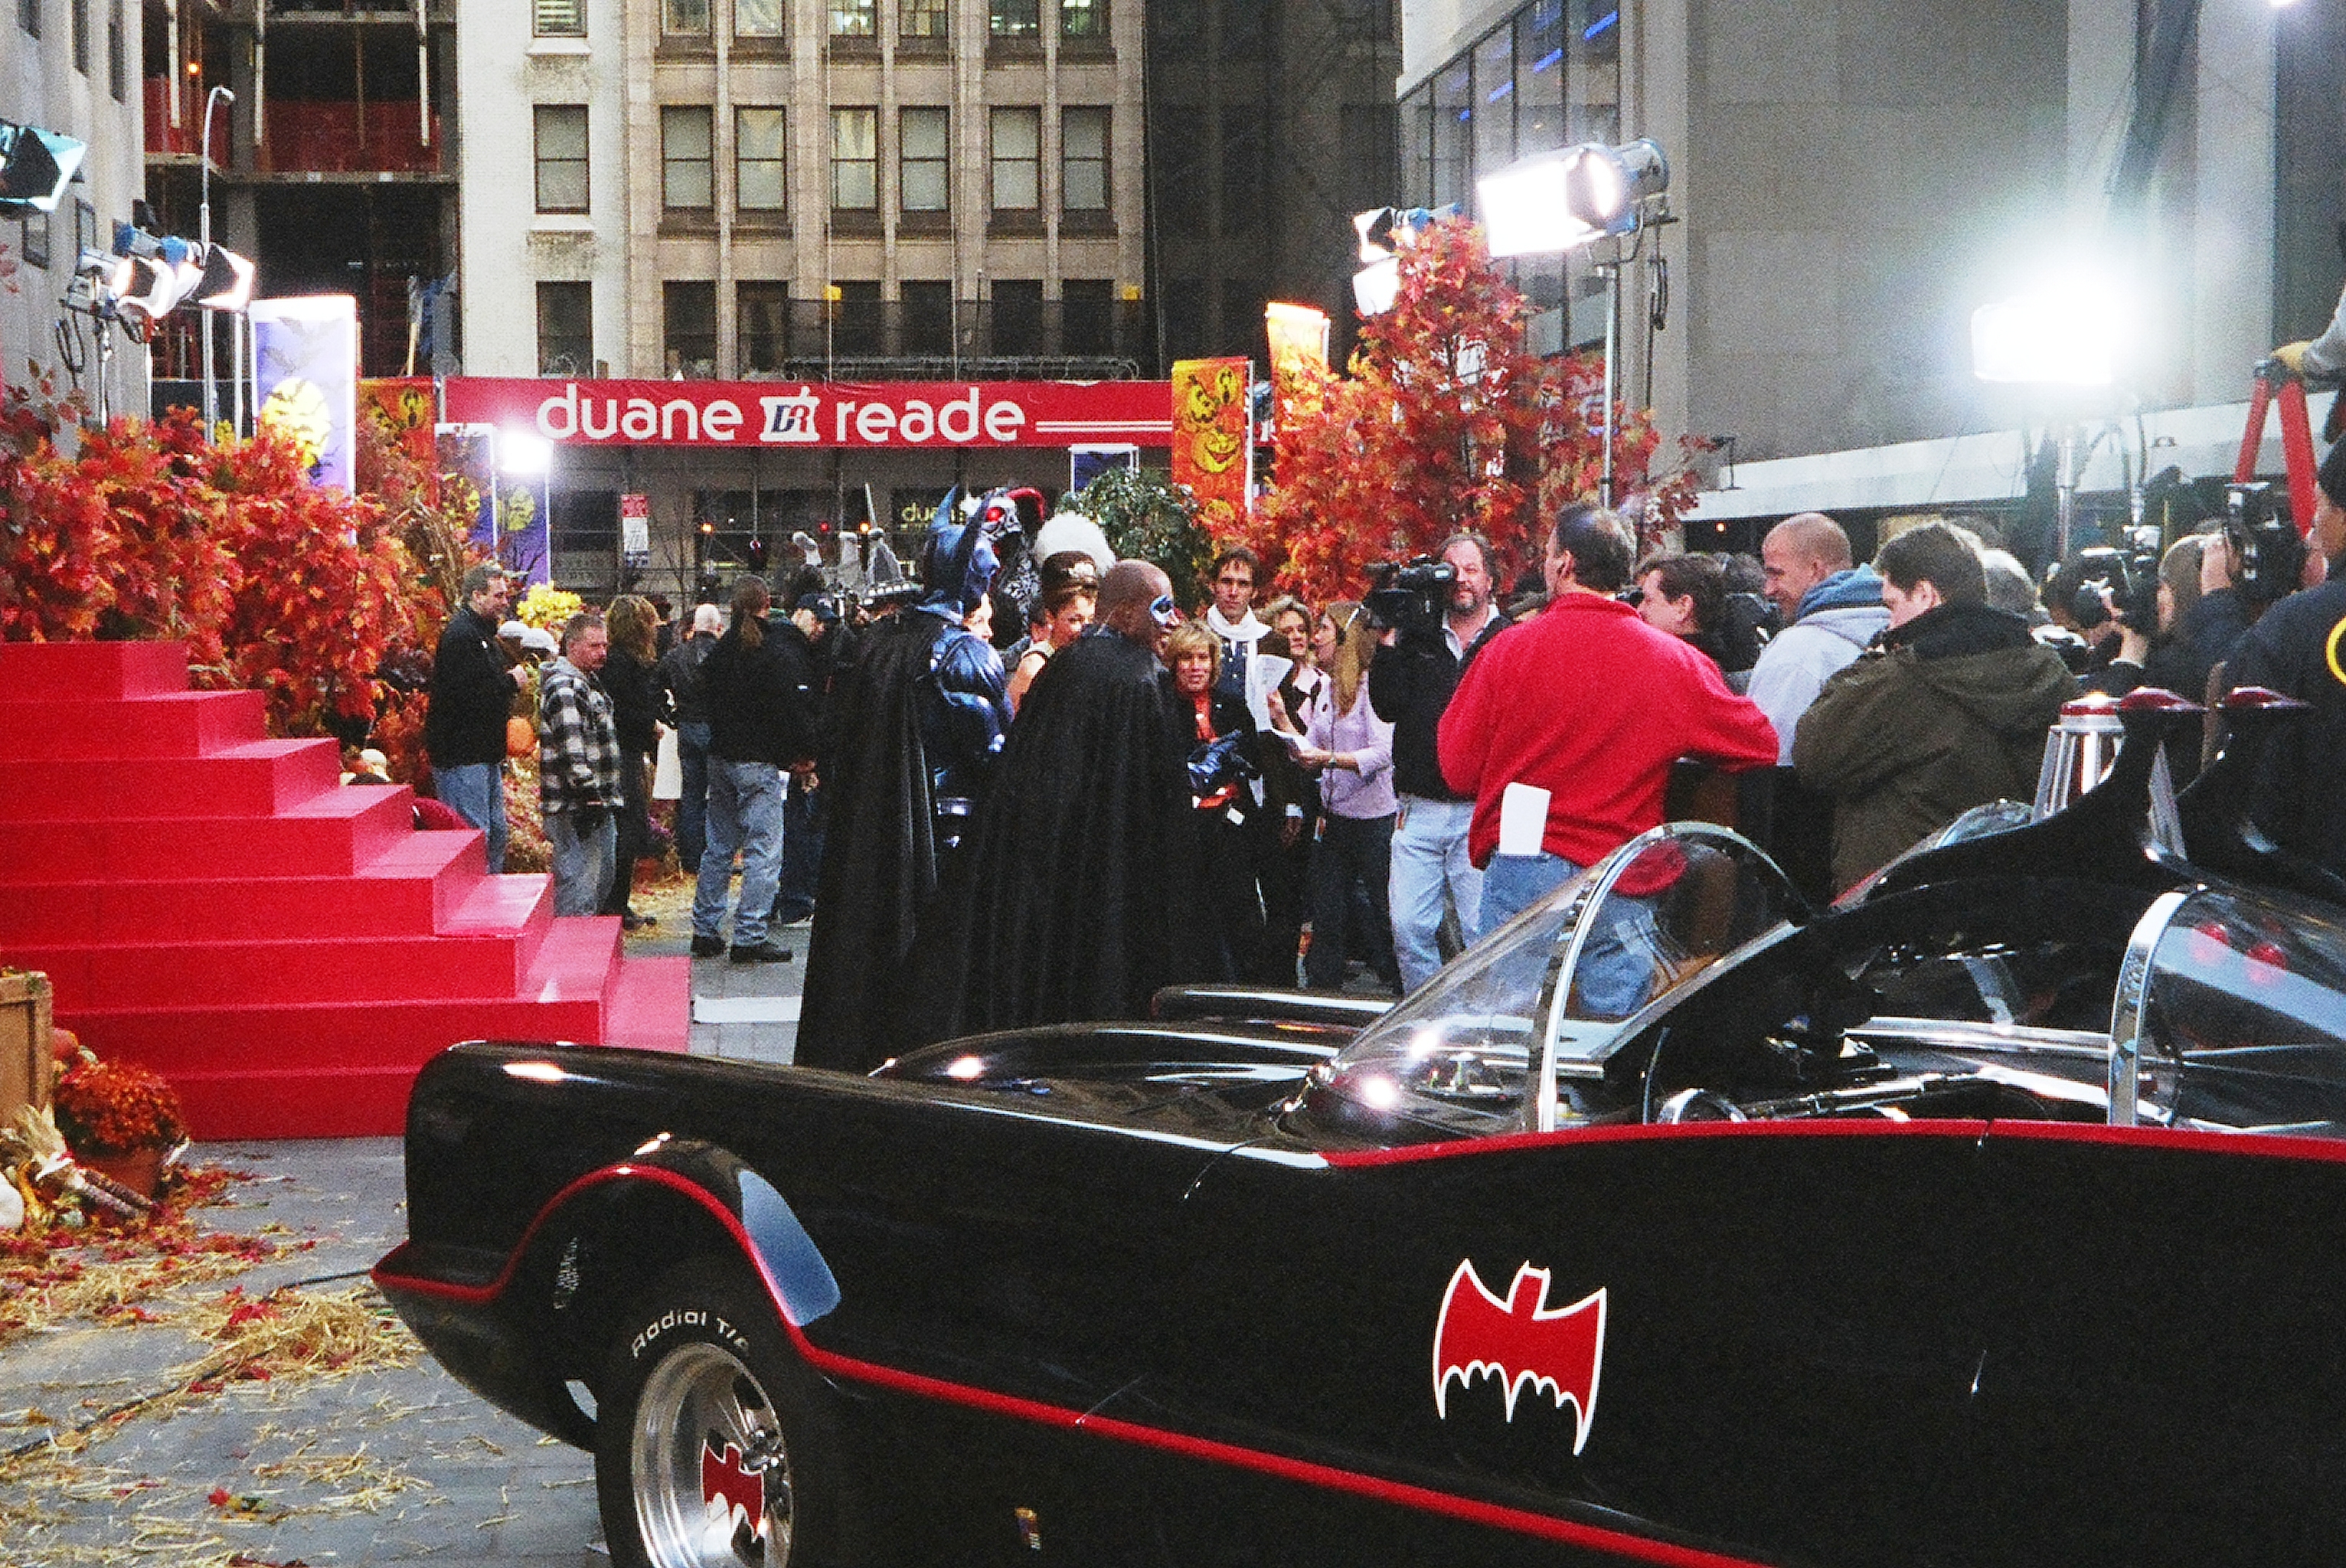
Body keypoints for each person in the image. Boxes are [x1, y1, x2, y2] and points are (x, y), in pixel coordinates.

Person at [1439, 505, 1779, 931]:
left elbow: (1457, 770)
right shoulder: (1674, 662)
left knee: (1515, 998)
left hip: (1523, 866)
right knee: (1617, 998)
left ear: (1565, 564)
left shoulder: (1505, 652)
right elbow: (1759, 743)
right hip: (1622, 870)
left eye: (1548, 554)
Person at [926, 560, 1203, 1044]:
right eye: (1160, 608)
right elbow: (1157, 795)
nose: (1170, 621)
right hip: (1112, 869)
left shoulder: (1068, 665)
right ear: (1124, 611)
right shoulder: (1140, 677)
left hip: (1053, 862)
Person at [796, 505, 1012, 1068]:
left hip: (877, 839)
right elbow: (996, 758)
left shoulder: (882, 646)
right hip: (948, 844)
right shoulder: (964, 653)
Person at [1795, 521, 2080, 892]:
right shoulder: (2048, 672)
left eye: (1892, 605)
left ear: (1926, 595)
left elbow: (1815, 754)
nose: (1890, 621)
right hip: (2012, 895)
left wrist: (1875, 656)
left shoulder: (1902, 681)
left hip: (1907, 902)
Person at [1370, 532, 1507, 993]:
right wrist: (1390, 633)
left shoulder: (1509, 639)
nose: (1462, 580)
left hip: (1481, 811)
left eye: (1471, 569)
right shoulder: (1418, 637)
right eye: (1452, 569)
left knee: (1482, 936)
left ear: (1490, 578)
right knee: (1409, 930)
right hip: (1419, 807)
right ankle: (1426, 1026)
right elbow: (1386, 705)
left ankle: (1482, 1028)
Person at [1743, 513, 1889, 901]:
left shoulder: (1798, 652)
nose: (1768, 589)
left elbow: (1771, 766)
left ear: (1815, 570)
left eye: (1776, 574)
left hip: (1807, 871)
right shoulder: (1895, 633)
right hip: (1874, 858)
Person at [2223, 438, 2346, 873]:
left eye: (2321, 503)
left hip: (2320, 903)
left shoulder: (2294, 627)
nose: (2314, 520)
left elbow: (2257, 783)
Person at [689, 577, 815, 965]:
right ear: (767, 604)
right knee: (764, 849)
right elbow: (786, 711)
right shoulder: (771, 652)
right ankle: (750, 933)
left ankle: (705, 929)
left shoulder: (720, 653)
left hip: (720, 757)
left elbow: (701, 698)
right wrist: (801, 754)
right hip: (756, 761)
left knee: (719, 846)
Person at [1281, 602, 1399, 991]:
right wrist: (1282, 723)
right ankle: (1320, 992)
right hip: (1335, 821)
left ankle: (1401, 984)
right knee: (1327, 913)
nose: (1315, 638)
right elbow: (1310, 745)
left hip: (1374, 824)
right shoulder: (1327, 689)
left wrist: (1330, 759)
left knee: (1384, 911)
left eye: (1325, 630)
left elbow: (1382, 753)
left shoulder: (1372, 688)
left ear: (1346, 639)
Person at [1167, 622, 1264, 982]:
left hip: (1229, 823)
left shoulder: (1232, 704)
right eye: (1187, 659)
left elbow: (1253, 758)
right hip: (1183, 827)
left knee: (1241, 914)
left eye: (1202, 658)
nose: (1195, 667)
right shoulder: (1163, 704)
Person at [424, 564, 525, 872]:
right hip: (462, 754)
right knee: (472, 837)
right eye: (498, 595)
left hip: (485, 752)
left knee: (495, 834)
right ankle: (471, 903)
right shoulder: (461, 636)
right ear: (477, 595)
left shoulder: (482, 635)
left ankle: (489, 896)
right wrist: (511, 682)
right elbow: (471, 693)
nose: (504, 601)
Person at [1254, 596, 1322, 986]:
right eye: (1287, 631)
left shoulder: (1321, 684)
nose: (1295, 637)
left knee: (1296, 898)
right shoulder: (1268, 684)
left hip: (1311, 794)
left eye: (1301, 629)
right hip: (1275, 797)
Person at [537, 611, 623, 918]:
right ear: (572, 646)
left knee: (599, 878)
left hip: (594, 800)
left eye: (604, 646)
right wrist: (589, 795)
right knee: (579, 885)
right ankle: (571, 951)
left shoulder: (587, 683)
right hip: (576, 805)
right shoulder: (566, 688)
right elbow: (572, 749)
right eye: (594, 646)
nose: (602, 653)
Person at [771, 592, 841, 928]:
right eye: (817, 620)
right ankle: (794, 901)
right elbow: (796, 711)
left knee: (786, 831)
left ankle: (782, 899)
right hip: (790, 761)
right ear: (800, 614)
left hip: (781, 757)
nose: (821, 629)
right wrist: (804, 757)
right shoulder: (791, 653)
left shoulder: (786, 648)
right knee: (793, 829)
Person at [598, 594, 665, 929]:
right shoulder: (625, 665)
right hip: (625, 753)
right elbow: (625, 713)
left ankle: (618, 901)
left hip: (623, 751)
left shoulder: (614, 663)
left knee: (625, 828)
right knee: (627, 827)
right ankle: (617, 904)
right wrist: (649, 726)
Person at [658, 603, 723, 874]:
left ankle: (691, 858)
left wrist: (670, 716)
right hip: (716, 728)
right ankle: (715, 855)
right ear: (717, 627)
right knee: (720, 796)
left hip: (687, 726)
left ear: (694, 626)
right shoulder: (723, 655)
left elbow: (654, 688)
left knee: (691, 794)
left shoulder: (675, 657)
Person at [1005, 553, 1099, 714]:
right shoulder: (1035, 667)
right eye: (1074, 620)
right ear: (1050, 617)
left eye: (1091, 620)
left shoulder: (1096, 657)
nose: (1085, 629)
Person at [1635, 553, 1737, 670]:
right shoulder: (1718, 670)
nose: (1639, 609)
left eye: (1648, 600)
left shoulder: (1666, 672)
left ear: (1683, 607)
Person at [1204, 545, 1270, 692]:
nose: (1233, 592)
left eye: (1243, 584)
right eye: (1227, 582)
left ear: (1254, 592)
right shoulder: (1193, 635)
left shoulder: (1273, 642)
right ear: (1213, 586)